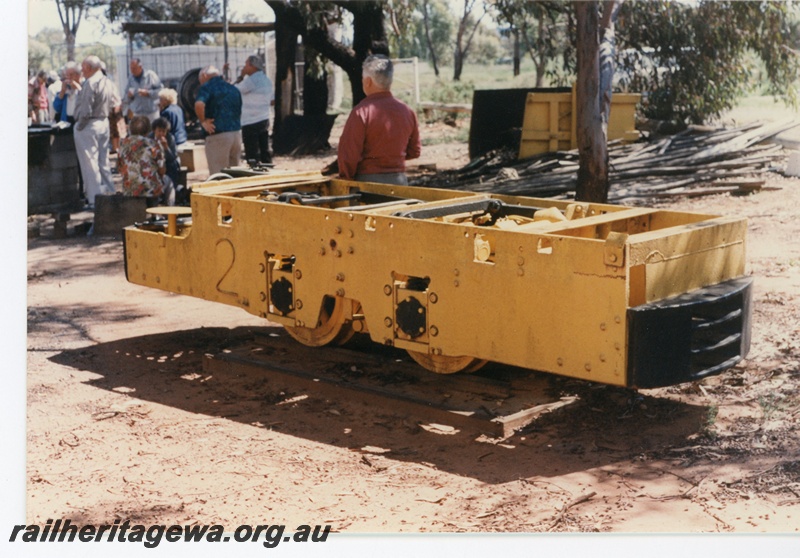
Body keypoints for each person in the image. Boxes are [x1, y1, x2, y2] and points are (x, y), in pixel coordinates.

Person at [337, 55, 421, 185]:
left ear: (367, 82)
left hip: (367, 184)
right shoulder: (407, 111)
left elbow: (349, 156)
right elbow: (414, 151)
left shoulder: (361, 112)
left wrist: (345, 181)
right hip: (400, 183)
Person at [73, 55, 115, 207]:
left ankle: (95, 200)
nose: (82, 71)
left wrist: (79, 126)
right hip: (103, 122)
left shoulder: (90, 83)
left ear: (89, 68)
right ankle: (110, 193)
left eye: (83, 68)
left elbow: (86, 109)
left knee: (89, 163)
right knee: (103, 162)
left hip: (89, 124)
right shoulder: (107, 81)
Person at [194, 65, 242, 175]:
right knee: (235, 175)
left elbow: (199, 104)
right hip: (236, 135)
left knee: (218, 175)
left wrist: (203, 121)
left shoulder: (207, 87)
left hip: (218, 135)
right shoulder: (233, 89)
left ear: (204, 75)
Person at [118, 115, 168, 203]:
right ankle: (165, 211)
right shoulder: (153, 144)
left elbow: (119, 167)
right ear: (148, 130)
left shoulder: (123, 144)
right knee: (168, 182)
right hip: (150, 189)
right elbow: (162, 170)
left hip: (129, 190)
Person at [234, 54, 273, 164]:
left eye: (246, 65)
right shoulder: (267, 80)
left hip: (251, 121)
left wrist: (240, 77)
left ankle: (254, 173)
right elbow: (272, 100)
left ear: (252, 66)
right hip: (264, 118)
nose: (244, 68)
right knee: (264, 149)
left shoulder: (251, 81)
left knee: (252, 153)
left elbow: (234, 90)